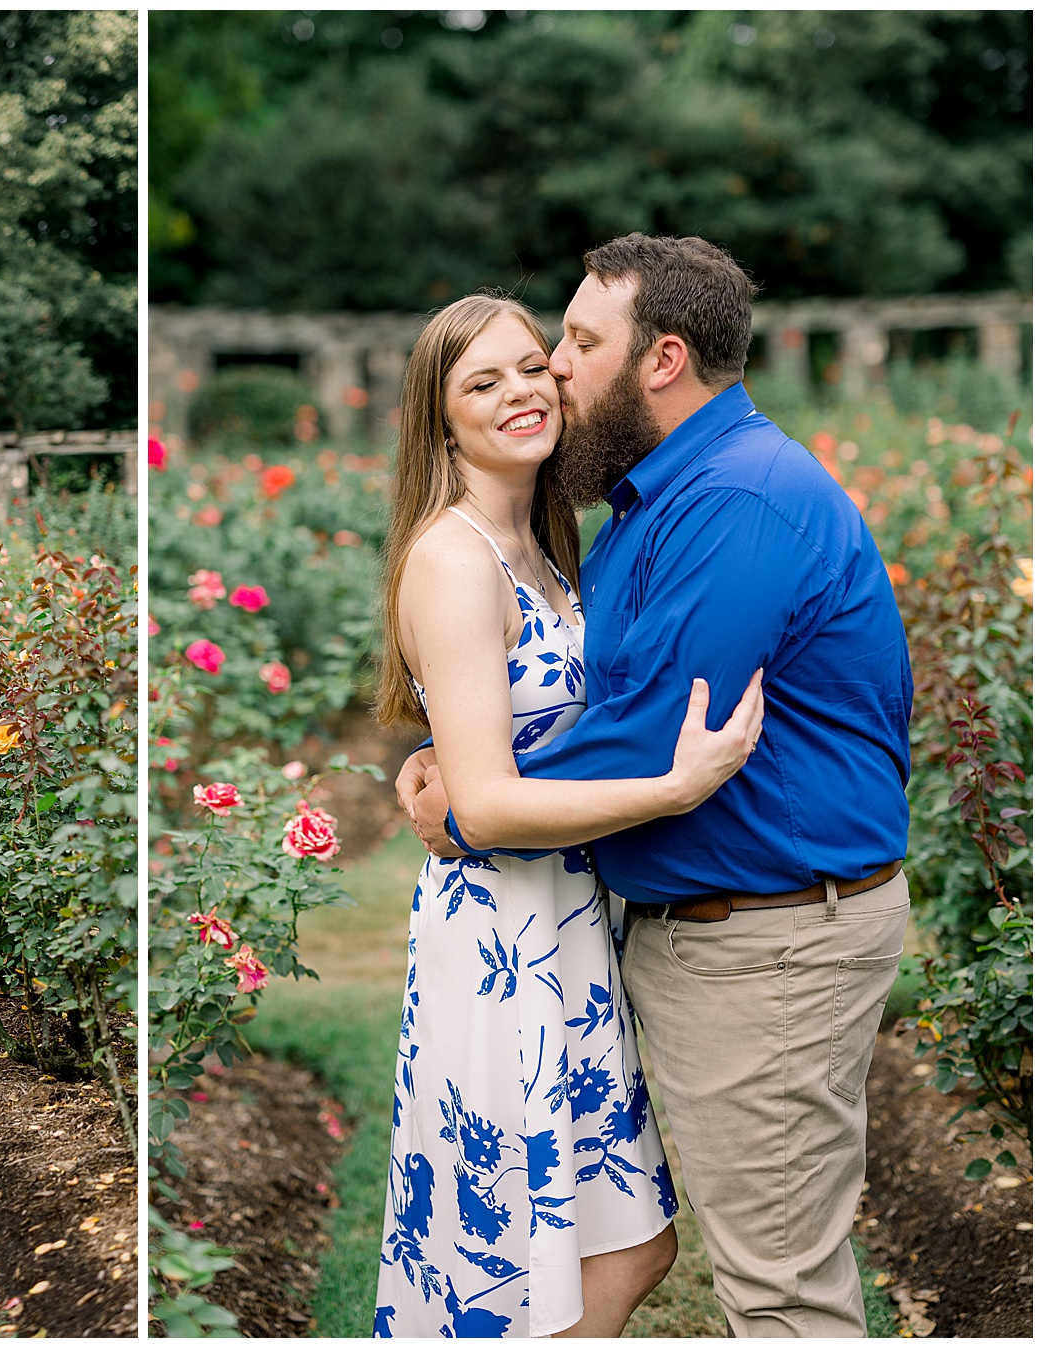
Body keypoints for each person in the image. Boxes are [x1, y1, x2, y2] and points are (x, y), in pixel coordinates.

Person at [399, 236, 913, 1337]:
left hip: (767, 941)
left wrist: (467, 797)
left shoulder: (734, 502)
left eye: (571, 346)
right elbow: (599, 713)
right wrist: (472, 764)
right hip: (613, 930)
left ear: (662, 359)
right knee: (578, 1243)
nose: (552, 374)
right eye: (499, 373)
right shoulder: (640, 502)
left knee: (766, 1286)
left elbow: (641, 738)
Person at [373, 293, 764, 1339]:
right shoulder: (454, 559)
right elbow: (492, 804)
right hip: (504, 935)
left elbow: (502, 744)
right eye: (481, 382)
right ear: (439, 420)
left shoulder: (547, 545)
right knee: (534, 1257)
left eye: (530, 366)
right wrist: (675, 788)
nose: (520, 392)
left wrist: (441, 761)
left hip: (566, 922)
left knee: (620, 1242)